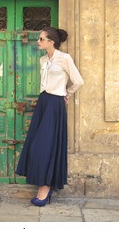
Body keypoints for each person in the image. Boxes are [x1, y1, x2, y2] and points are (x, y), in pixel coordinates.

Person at [15, 27, 84, 207]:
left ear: (51, 41)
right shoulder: (42, 60)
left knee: (47, 145)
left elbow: (78, 81)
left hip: (55, 104)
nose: (38, 41)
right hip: (43, 102)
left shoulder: (65, 59)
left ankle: (45, 188)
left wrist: (67, 94)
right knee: (36, 144)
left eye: (41, 38)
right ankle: (44, 185)